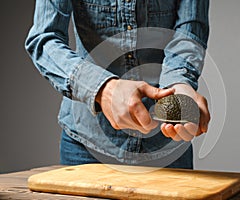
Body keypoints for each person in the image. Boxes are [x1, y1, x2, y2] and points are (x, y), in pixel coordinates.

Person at [25, 0, 210, 169]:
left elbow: (189, 29)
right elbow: (44, 39)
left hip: (166, 144)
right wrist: (104, 89)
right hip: (86, 144)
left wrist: (180, 84)